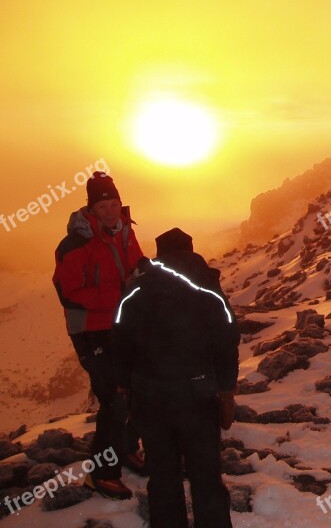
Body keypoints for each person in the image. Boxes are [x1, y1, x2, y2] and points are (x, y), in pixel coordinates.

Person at [113, 228, 240, 528]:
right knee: (206, 475)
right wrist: (226, 390)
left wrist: (126, 388)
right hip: (198, 396)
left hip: (150, 398)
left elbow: (120, 342)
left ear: (159, 256)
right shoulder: (209, 291)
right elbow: (227, 341)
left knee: (163, 475)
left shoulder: (135, 292)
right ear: (192, 251)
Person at [53, 171, 147, 500]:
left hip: (122, 324)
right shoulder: (75, 243)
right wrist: (120, 293)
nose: (110, 211)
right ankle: (101, 473)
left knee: (136, 386)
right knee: (114, 398)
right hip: (91, 332)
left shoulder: (124, 231)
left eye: (114, 203)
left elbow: (133, 265)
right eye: (103, 205)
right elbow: (69, 292)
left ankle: (124, 448)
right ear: (91, 209)